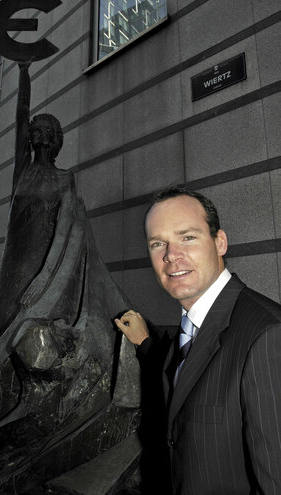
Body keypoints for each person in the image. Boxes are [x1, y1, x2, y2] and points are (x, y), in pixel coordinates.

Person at [115, 186, 281, 495]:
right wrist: (145, 345)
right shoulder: (189, 328)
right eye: (157, 243)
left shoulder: (269, 336)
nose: (170, 255)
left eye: (187, 237)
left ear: (220, 242)